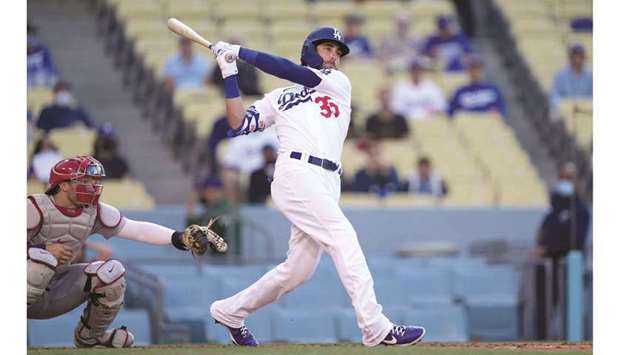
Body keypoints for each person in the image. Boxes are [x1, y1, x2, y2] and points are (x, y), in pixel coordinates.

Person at [205, 27, 425, 347]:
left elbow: (288, 69)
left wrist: (239, 52)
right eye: (327, 48)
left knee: (298, 270)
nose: (334, 55)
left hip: (327, 179)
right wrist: (230, 73)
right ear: (309, 48)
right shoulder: (278, 97)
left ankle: (229, 311)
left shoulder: (338, 82)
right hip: (296, 172)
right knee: (343, 237)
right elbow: (238, 124)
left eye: (337, 51)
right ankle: (375, 326)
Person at [27, 156, 227, 348]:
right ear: (63, 185)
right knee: (41, 259)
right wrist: (42, 249)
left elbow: (137, 230)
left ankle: (90, 337)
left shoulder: (93, 211)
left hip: (56, 288)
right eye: (84, 181)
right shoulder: (34, 207)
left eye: (93, 181)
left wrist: (178, 237)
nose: (91, 187)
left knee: (112, 272)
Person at [535, 162, 590, 308]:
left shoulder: (580, 210)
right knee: (547, 306)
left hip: (568, 269)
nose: (565, 181)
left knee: (569, 308)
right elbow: (544, 232)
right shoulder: (554, 208)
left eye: (569, 177)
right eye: (563, 177)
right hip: (549, 271)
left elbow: (576, 240)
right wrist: (541, 245)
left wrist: (548, 249)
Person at [186, 174, 240, 256]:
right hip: (220, 258)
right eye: (208, 191)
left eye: (213, 191)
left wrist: (191, 206)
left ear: (220, 192)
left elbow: (196, 228)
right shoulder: (211, 207)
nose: (209, 194)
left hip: (226, 258)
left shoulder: (223, 207)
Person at [549, 43, 593, 108]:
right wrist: (565, 105)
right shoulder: (560, 76)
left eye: (580, 56)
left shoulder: (591, 77)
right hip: (564, 113)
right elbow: (554, 97)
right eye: (574, 56)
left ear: (584, 58)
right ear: (570, 58)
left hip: (587, 112)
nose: (577, 60)